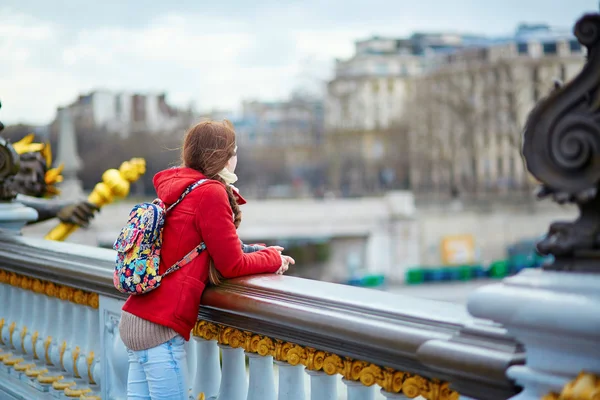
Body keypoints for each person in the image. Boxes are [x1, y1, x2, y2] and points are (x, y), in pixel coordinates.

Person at [119, 120, 294, 400]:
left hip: (135, 319)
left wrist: (261, 251)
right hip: (160, 329)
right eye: (233, 151)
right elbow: (231, 264)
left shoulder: (180, 188)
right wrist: (272, 260)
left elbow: (206, 245)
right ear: (220, 157)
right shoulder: (210, 193)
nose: (236, 158)